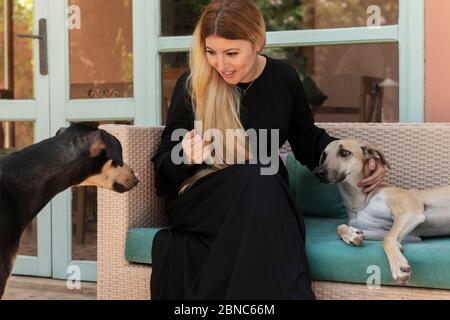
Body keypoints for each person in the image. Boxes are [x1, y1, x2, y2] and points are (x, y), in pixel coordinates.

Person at [151, 0, 385, 300]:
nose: (220, 64)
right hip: (201, 197)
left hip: (260, 195)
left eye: (231, 53)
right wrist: (184, 155)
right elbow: (162, 170)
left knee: (265, 176)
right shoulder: (192, 84)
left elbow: (306, 138)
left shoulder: (283, 78)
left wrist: (358, 160)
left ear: (257, 41)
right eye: (211, 52)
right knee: (265, 175)